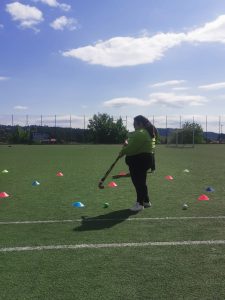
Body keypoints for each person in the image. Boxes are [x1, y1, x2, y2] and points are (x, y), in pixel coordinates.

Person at [119, 115, 158, 212]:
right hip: (144, 160)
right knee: (141, 182)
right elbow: (133, 143)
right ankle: (146, 201)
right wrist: (127, 144)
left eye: (135, 123)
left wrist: (122, 151)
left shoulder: (141, 133)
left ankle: (139, 204)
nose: (133, 125)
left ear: (140, 124)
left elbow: (131, 148)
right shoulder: (146, 133)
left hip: (138, 161)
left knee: (138, 183)